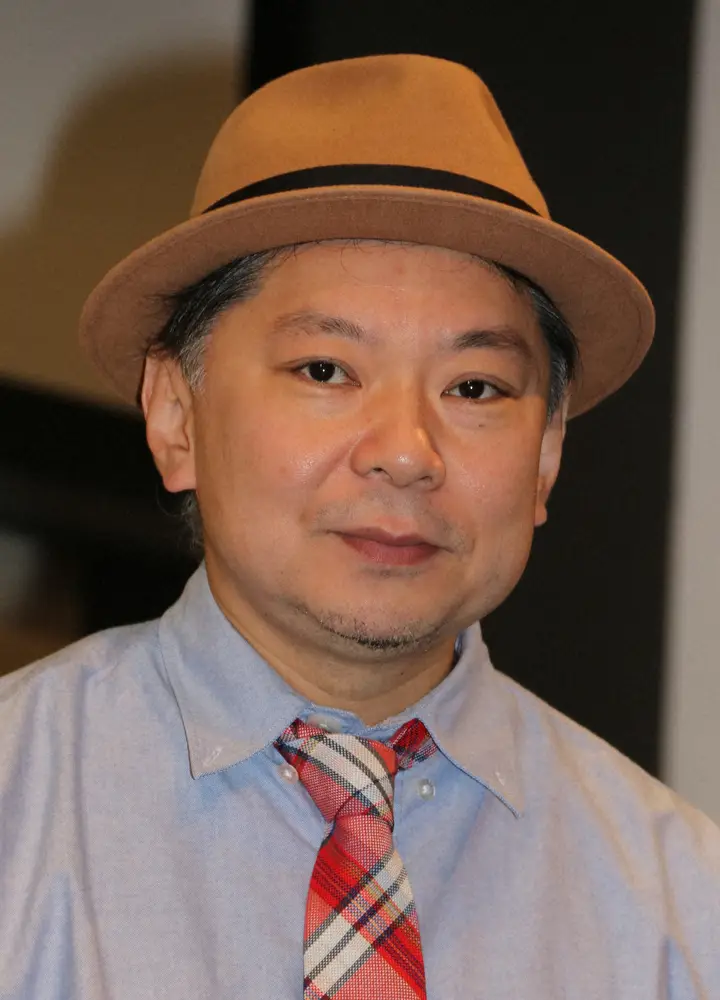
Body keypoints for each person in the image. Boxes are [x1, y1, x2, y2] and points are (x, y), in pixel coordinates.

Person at [0, 53, 718, 1000]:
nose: (407, 453)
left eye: (475, 387)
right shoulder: (17, 804)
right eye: (326, 371)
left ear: (547, 454)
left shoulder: (684, 907)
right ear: (176, 416)